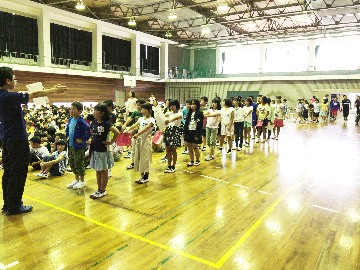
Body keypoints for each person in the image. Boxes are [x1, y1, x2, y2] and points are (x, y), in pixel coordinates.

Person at [0, 66, 66, 215]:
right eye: (15, 79)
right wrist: (53, 90)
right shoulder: (8, 96)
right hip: (17, 140)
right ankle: (15, 206)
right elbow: (34, 93)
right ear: (8, 81)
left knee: (8, 173)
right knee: (18, 173)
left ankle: (8, 204)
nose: (16, 82)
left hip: (7, 140)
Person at [89, 103, 120, 198]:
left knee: (103, 170)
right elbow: (92, 132)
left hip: (103, 150)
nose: (94, 112)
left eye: (96, 110)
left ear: (102, 113)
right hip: (95, 149)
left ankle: (103, 190)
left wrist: (111, 142)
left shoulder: (106, 124)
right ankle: (99, 189)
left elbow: (117, 133)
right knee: (98, 170)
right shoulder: (93, 122)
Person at [127, 103, 155, 184]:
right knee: (139, 157)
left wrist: (137, 134)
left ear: (149, 110)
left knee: (145, 158)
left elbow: (146, 129)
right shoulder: (140, 119)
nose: (142, 111)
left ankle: (146, 176)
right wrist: (128, 130)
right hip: (139, 141)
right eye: (142, 109)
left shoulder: (152, 120)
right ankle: (142, 175)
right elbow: (135, 125)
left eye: (144, 109)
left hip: (146, 140)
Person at [66, 101, 91, 190]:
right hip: (71, 145)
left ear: (80, 111)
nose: (71, 111)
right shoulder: (70, 120)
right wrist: (67, 136)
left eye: (74, 109)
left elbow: (89, 131)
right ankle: (76, 179)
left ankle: (82, 180)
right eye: (71, 109)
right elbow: (67, 129)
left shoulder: (82, 122)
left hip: (79, 146)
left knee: (79, 163)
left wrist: (83, 140)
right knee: (72, 162)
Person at [122, 98, 146, 165]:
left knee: (141, 149)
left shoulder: (145, 114)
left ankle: (140, 162)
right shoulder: (135, 112)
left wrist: (137, 127)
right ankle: (133, 162)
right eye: (137, 105)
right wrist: (125, 125)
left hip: (143, 133)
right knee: (134, 147)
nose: (138, 107)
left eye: (139, 105)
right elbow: (130, 119)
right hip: (135, 132)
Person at [163, 99, 183, 173]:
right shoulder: (169, 113)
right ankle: (169, 165)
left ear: (176, 106)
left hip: (175, 131)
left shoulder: (180, 113)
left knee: (173, 149)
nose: (172, 107)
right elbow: (162, 116)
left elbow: (177, 117)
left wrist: (170, 120)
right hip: (168, 130)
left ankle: (173, 166)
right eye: (170, 106)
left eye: (173, 105)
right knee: (168, 149)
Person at [184, 99, 204, 166]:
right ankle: (192, 160)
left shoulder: (199, 113)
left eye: (194, 104)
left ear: (197, 105)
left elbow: (200, 125)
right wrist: (185, 132)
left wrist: (198, 135)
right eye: (191, 104)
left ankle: (197, 160)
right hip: (189, 131)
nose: (192, 106)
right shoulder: (189, 113)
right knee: (189, 146)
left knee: (195, 146)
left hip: (195, 131)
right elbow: (186, 123)